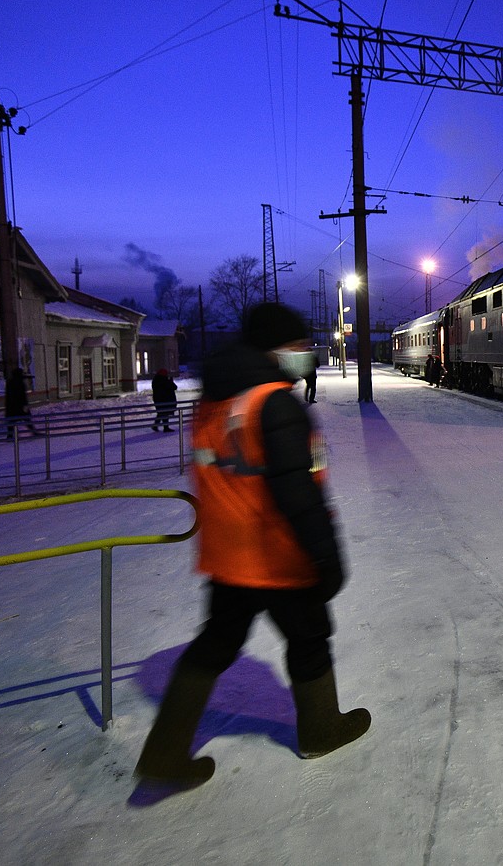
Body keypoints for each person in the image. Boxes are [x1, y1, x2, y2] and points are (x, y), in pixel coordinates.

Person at [135, 302, 370, 787]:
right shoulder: (274, 403)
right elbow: (297, 492)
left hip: (227, 556)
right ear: (276, 348)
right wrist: (327, 556)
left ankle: (164, 753)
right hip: (279, 555)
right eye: (300, 345)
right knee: (308, 638)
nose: (307, 353)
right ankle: (321, 729)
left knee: (216, 643)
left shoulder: (215, 401)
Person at [4, 367, 41, 439]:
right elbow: (22, 396)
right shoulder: (20, 383)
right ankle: (33, 431)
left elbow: (8, 396)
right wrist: (25, 405)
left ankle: (10, 435)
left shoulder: (10, 382)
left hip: (11, 407)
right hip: (19, 406)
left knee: (12, 421)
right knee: (26, 419)